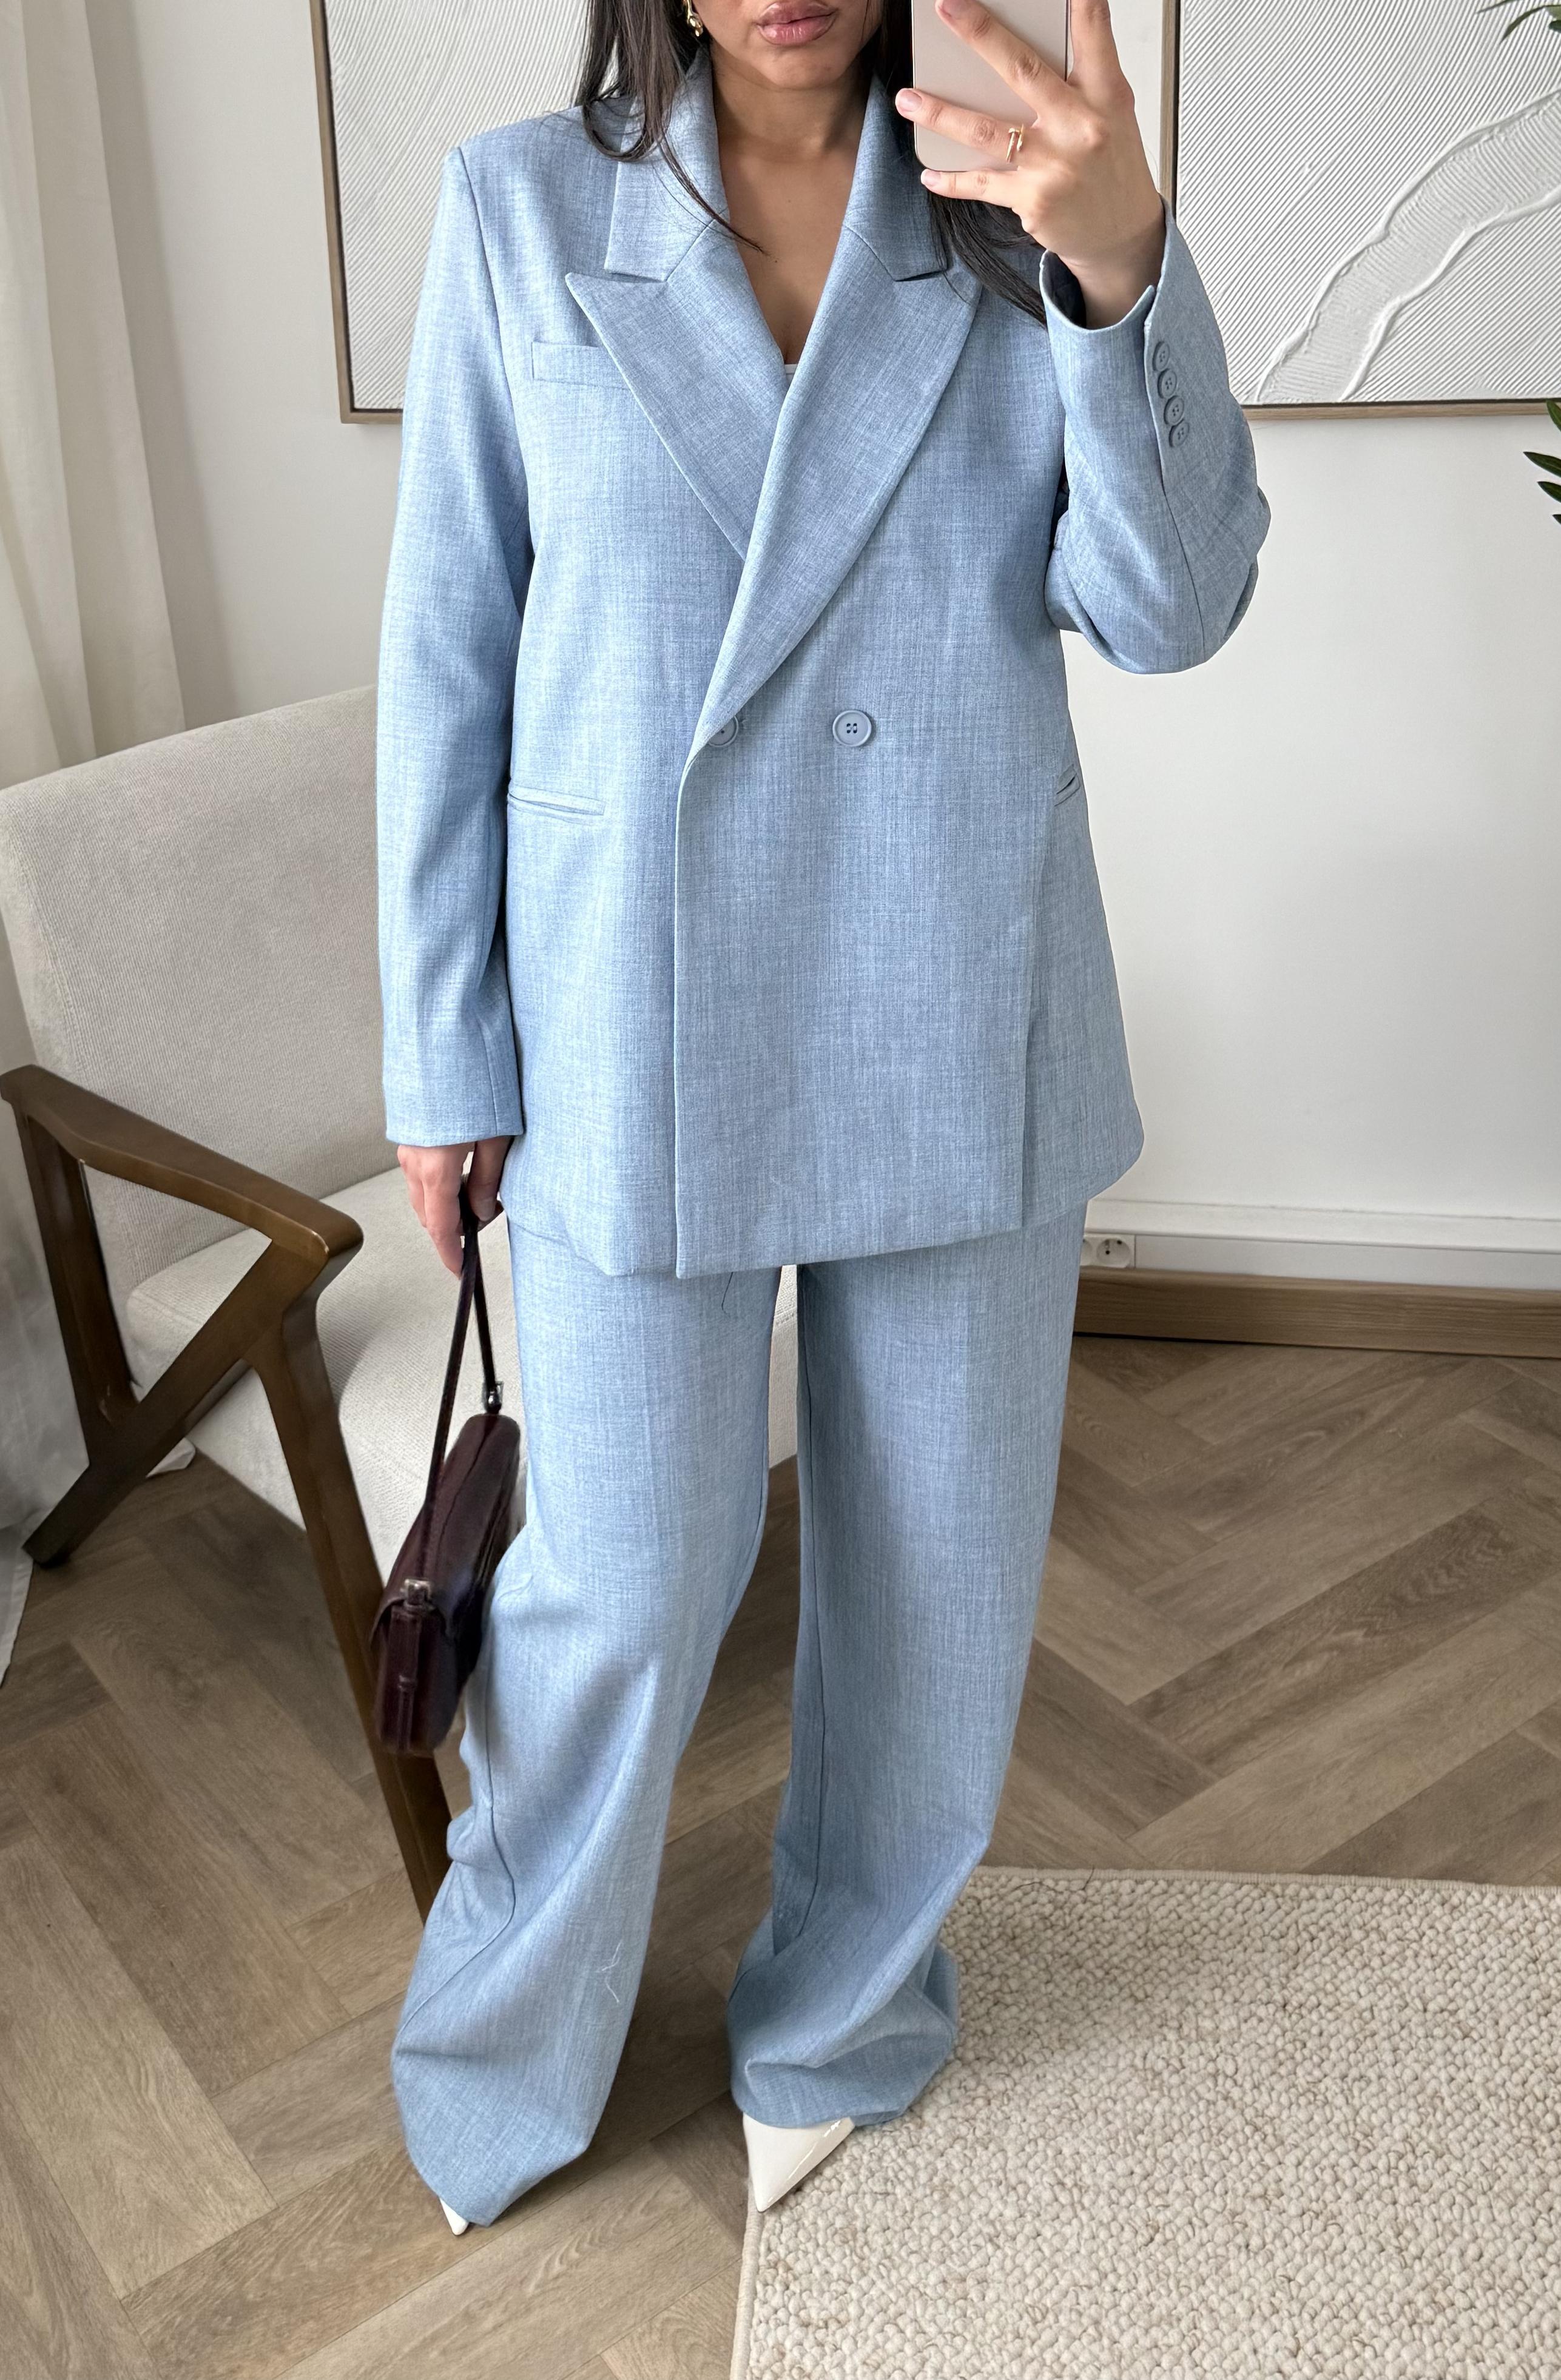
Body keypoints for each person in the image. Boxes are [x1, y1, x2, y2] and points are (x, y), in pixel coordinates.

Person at [376, 0, 1269, 2230]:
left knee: (936, 1582)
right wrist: (446, 1054)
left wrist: (1118, 259)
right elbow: (450, 653)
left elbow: (1170, 612)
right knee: (623, 1584)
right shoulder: (521, 212)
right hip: (630, 1010)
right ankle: (505, 2036)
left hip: (951, 973)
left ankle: (844, 2014)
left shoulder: (1003, 204)